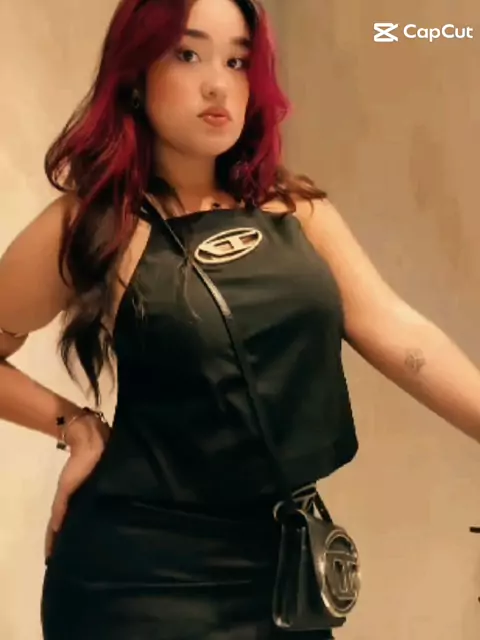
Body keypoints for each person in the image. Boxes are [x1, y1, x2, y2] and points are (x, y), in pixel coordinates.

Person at [1, 0, 480, 637]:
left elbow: (401, 336)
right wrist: (76, 425)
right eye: (188, 54)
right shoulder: (92, 225)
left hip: (282, 572)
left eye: (237, 62)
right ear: (136, 74)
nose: (218, 84)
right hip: (138, 579)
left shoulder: (296, 211)